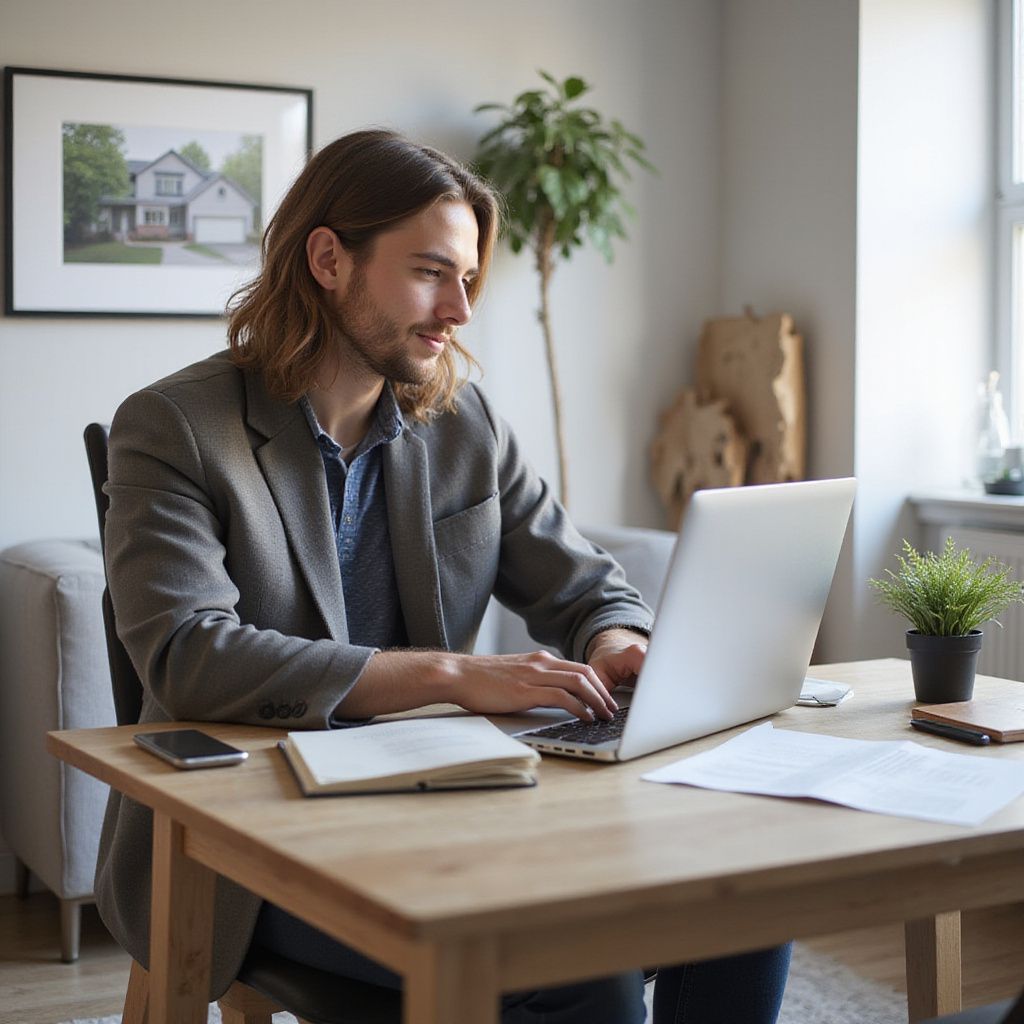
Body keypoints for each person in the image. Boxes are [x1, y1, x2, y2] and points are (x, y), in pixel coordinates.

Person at [95, 128, 791, 1023]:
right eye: (430, 272)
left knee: (744, 896)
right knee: (582, 968)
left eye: (467, 279)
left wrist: (620, 642)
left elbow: (585, 586)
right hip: (246, 846)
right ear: (328, 260)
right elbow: (192, 655)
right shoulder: (174, 427)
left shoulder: (465, 426)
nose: (458, 310)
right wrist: (455, 675)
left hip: (447, 806)